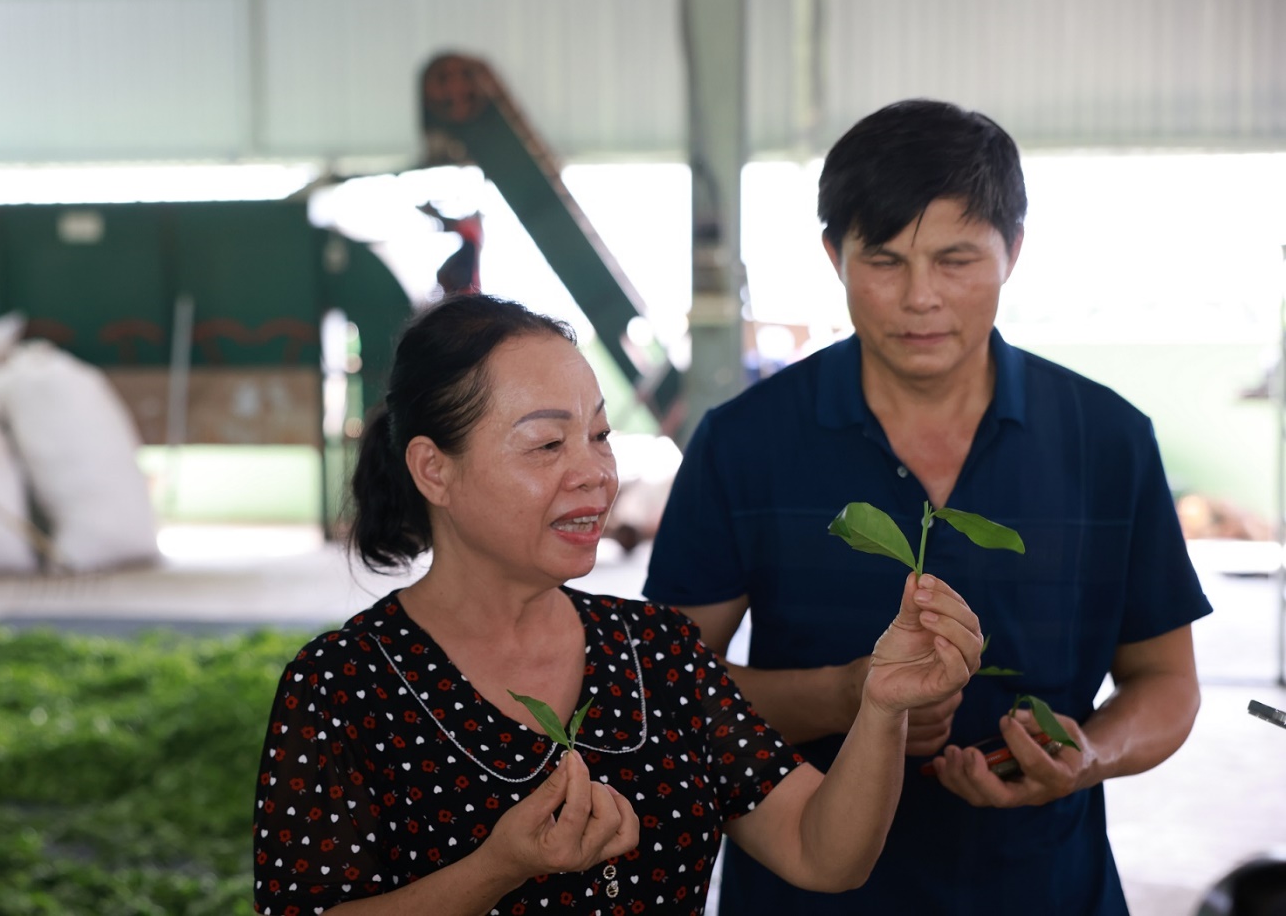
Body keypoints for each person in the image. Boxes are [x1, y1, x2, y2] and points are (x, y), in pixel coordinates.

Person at [643, 98, 1213, 915]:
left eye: (955, 260)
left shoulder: (1106, 440)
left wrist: (1087, 753)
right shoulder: (744, 442)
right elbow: (670, 687)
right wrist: (845, 697)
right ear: (832, 253)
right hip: (808, 892)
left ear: (1012, 251)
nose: (920, 299)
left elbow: (1165, 682)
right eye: (883, 261)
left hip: (1044, 887)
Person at [252, 294, 985, 914]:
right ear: (433, 470)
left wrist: (881, 708)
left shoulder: (656, 650)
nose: (594, 473)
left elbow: (824, 854)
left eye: (599, 435)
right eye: (545, 445)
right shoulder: (341, 687)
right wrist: (497, 865)